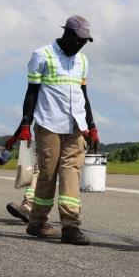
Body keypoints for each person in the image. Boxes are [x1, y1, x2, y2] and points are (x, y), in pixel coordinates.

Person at [5, 15, 99, 245]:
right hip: (48, 124)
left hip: (76, 125)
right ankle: (36, 223)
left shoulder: (82, 61)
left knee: (71, 172)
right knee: (47, 174)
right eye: (78, 40)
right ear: (67, 34)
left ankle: (70, 225)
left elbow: (83, 96)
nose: (81, 45)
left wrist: (92, 126)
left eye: (85, 42)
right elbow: (31, 93)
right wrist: (25, 125)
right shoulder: (42, 55)